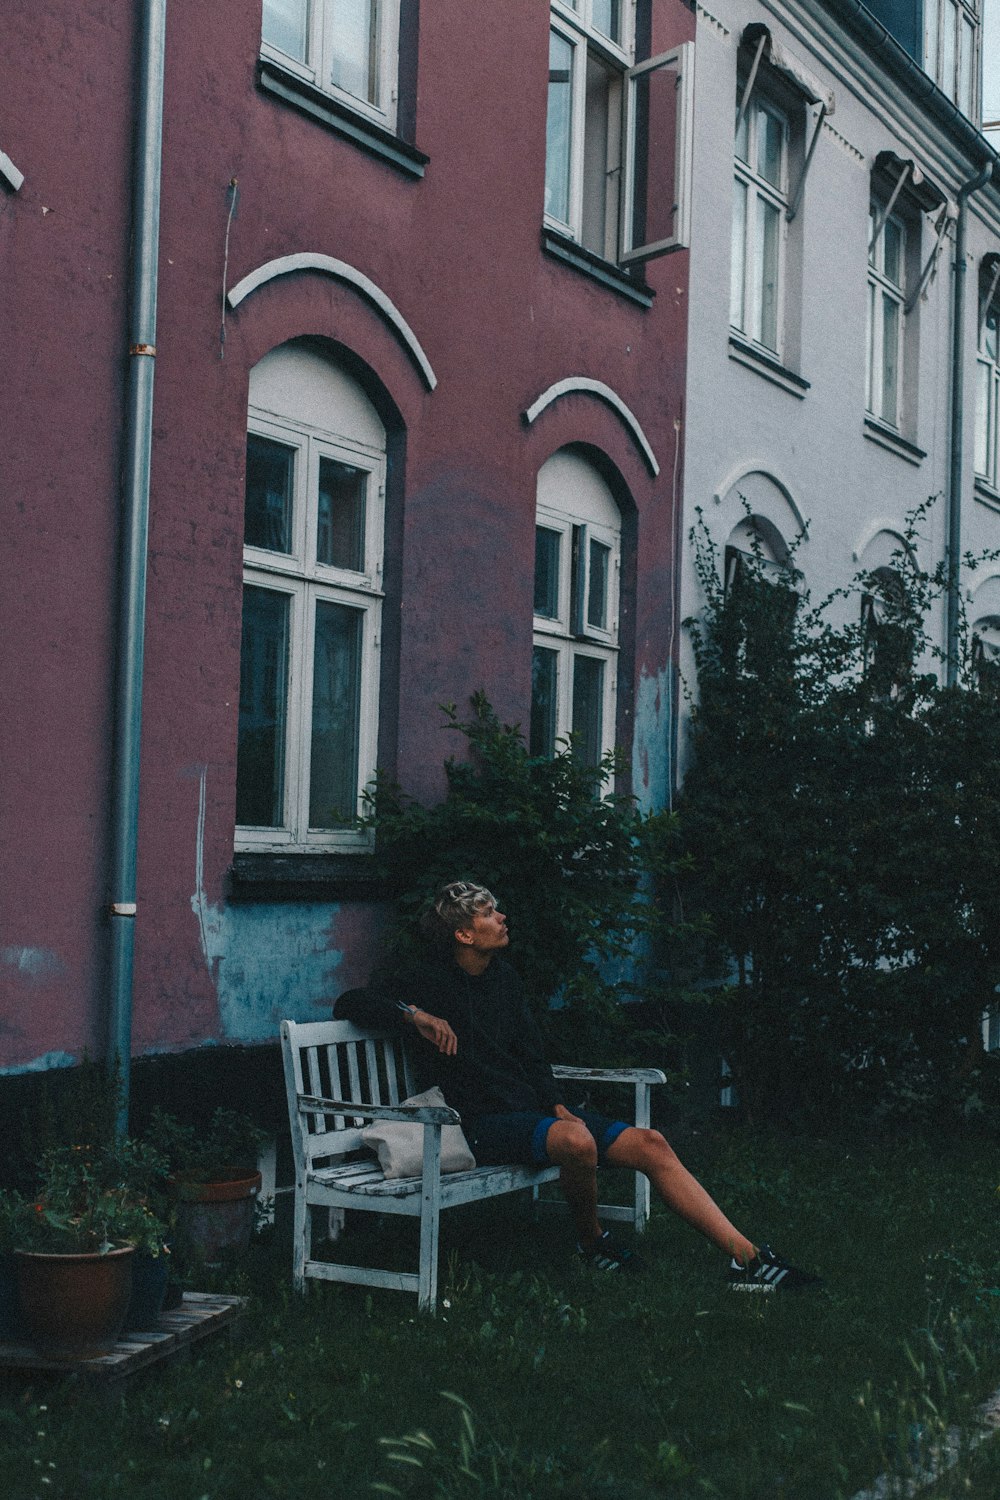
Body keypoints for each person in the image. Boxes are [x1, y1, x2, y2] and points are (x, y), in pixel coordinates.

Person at [364, 879, 819, 1290]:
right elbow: (356, 1000)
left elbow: (530, 1053)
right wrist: (415, 1015)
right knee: (577, 1142)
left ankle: (747, 1259)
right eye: (488, 913)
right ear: (464, 934)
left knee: (651, 1143)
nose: (501, 918)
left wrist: (556, 1104)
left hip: (532, 1114)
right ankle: (592, 1241)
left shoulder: (503, 979)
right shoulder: (428, 979)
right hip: (478, 1124)